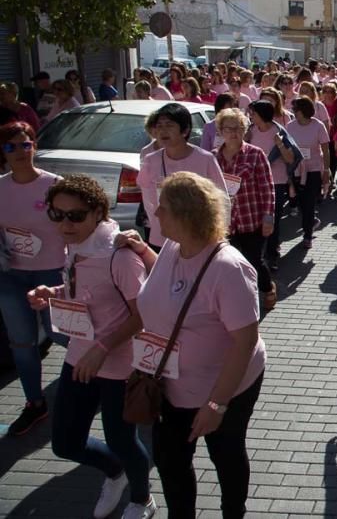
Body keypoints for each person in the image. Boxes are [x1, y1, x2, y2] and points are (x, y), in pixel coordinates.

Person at [133, 172, 266, 519]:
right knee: (169, 459)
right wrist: (141, 250)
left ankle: (233, 512)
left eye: (162, 208)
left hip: (224, 389)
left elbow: (245, 341)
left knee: (226, 453)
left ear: (186, 215)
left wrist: (217, 405)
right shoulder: (173, 249)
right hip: (170, 385)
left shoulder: (229, 268)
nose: (155, 214)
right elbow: (171, 285)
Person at [27, 175, 155, 518]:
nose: (65, 224)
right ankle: (114, 472)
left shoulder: (119, 255)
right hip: (79, 357)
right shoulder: (78, 247)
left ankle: (141, 499)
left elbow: (143, 313)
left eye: (75, 215)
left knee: (123, 440)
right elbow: (83, 292)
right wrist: (51, 294)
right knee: (65, 443)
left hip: (119, 365)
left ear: (98, 212)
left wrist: (101, 347)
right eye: (57, 215)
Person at [0, 122, 67, 435]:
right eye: (11, 147)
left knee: (61, 335)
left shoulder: (54, 186)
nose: (19, 152)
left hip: (51, 272)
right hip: (11, 276)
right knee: (22, 343)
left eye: (24, 145)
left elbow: (80, 224)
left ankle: (104, 379)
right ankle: (35, 403)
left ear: (34, 147)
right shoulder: (1, 187)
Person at [136, 103, 229, 252]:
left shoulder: (205, 159)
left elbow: (222, 200)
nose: (163, 131)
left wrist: (218, 235)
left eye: (169, 125)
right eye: (159, 126)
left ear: (185, 130)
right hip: (163, 239)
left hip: (199, 237)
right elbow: (149, 203)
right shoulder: (150, 160)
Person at [213, 108, 277, 310]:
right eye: (228, 128)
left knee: (253, 261)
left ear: (245, 129)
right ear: (220, 130)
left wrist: (269, 218)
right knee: (228, 264)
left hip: (252, 219)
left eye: (238, 128)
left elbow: (267, 188)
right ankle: (239, 299)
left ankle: (267, 287)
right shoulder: (213, 158)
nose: (233, 132)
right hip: (226, 222)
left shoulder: (255, 154)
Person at [246, 100, 299, 272]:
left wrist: (280, 145)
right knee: (256, 220)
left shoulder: (279, 131)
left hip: (276, 181)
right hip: (254, 182)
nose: (250, 116)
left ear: (261, 114)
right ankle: (257, 253)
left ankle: (272, 254)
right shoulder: (251, 131)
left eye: (253, 113)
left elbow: (291, 158)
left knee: (272, 220)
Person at [286, 97, 330, 249]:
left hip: (313, 170)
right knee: (300, 203)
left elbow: (325, 149)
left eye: (295, 110)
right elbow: (286, 148)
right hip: (296, 170)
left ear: (303, 110)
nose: (293, 113)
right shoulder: (290, 126)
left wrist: (326, 170)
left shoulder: (317, 126)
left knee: (309, 202)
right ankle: (311, 221)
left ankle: (307, 235)